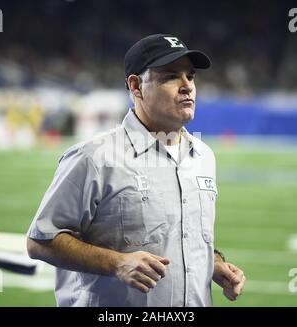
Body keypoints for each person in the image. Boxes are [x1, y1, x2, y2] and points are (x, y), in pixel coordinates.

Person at [27, 34, 246, 307]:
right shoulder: (94, 157)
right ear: (136, 86)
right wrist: (117, 263)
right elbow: (41, 241)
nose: (187, 86)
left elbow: (182, 233)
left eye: (190, 76)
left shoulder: (202, 156)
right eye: (170, 76)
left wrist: (213, 263)